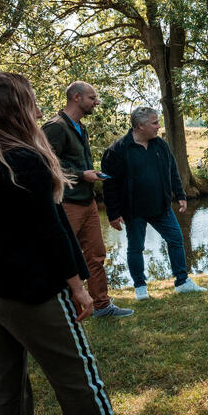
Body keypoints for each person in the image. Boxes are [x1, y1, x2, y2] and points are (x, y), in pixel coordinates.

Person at [0, 73, 164, 415]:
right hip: (33, 289)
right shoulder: (26, 159)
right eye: (31, 101)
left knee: (4, 387)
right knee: (78, 374)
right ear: (16, 108)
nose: (38, 109)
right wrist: (78, 286)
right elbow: (50, 231)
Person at [42, 81, 134, 319]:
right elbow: (47, 165)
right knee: (64, 258)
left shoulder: (81, 127)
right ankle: (64, 311)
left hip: (88, 201)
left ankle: (102, 306)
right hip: (67, 203)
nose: (96, 102)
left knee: (96, 255)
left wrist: (90, 173)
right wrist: (82, 175)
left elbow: (73, 163)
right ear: (76, 97)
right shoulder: (55, 127)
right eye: (92, 98)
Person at [101, 106, 207, 300]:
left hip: (161, 206)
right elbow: (110, 186)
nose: (159, 126)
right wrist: (113, 214)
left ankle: (182, 282)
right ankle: (140, 288)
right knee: (135, 247)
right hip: (133, 210)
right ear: (140, 126)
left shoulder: (160, 145)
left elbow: (172, 170)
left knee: (175, 238)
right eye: (155, 123)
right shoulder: (117, 150)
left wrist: (180, 194)